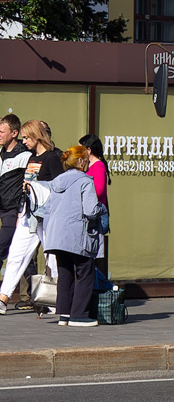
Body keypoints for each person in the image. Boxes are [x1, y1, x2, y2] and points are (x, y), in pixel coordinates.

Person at [0, 120, 64, 313]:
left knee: (51, 258)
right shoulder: (31, 159)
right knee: (16, 255)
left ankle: (55, 300)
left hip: (47, 216)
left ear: (37, 136)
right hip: (28, 214)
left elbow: (60, 186)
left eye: (27, 137)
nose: (24, 141)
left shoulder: (52, 158)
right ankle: (3, 298)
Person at [42, 145, 104, 326]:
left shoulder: (57, 181)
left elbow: (48, 209)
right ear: (79, 161)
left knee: (65, 272)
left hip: (56, 236)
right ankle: (79, 315)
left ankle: (64, 314)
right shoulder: (85, 181)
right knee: (86, 271)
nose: (87, 163)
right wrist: (102, 209)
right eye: (86, 160)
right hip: (77, 233)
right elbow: (91, 210)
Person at [0, 115, 26, 297]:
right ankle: (34, 294)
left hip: (12, 210)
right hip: (1, 206)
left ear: (14, 133)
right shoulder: (0, 154)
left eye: (2, 131)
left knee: (3, 247)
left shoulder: (24, 155)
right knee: (20, 254)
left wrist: (20, 210)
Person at [79, 134, 110, 275]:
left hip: (95, 216)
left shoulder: (98, 166)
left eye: (81, 148)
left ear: (89, 150)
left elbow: (99, 190)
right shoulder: (86, 165)